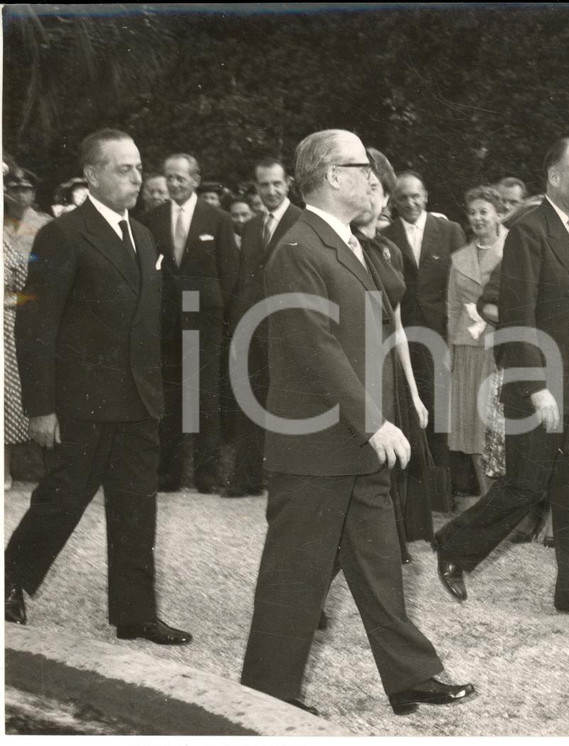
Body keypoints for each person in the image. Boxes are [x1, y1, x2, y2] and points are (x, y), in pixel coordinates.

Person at [240, 128, 474, 716]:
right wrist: (375, 423)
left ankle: (411, 677)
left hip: (357, 443)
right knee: (294, 576)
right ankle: (266, 698)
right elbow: (317, 348)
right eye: (360, 165)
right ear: (331, 175)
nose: (372, 174)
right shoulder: (298, 247)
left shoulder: (343, 241)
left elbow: (377, 333)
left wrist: (386, 418)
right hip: (319, 445)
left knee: (378, 568)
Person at [4, 129, 191, 646]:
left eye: (137, 168)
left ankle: (135, 614)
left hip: (137, 400)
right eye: (123, 169)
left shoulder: (146, 236)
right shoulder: (62, 235)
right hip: (82, 402)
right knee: (63, 499)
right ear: (92, 176)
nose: (136, 178)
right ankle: (9, 579)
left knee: (137, 507)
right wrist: (41, 408)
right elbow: (35, 326)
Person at [435, 138, 569, 622]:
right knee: (525, 485)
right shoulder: (528, 231)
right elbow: (515, 315)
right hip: (536, 383)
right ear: (555, 177)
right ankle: (454, 546)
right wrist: (537, 385)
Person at [141, 153, 239, 493]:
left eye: (181, 177)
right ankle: (167, 475)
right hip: (166, 319)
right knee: (170, 396)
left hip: (204, 318)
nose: (174, 183)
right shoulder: (151, 219)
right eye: (169, 177)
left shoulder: (218, 219)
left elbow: (229, 273)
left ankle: (207, 475)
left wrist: (220, 316)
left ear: (196, 179)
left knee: (203, 397)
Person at [354, 147, 433, 551]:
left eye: (377, 189)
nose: (370, 197)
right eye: (364, 187)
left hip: (391, 377)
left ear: (386, 197)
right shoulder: (344, 246)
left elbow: (399, 326)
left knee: (387, 477)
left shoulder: (390, 251)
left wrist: (414, 393)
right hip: (358, 374)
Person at [383, 172, 466, 490]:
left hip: (441, 335)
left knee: (442, 409)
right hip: (403, 337)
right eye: (402, 197)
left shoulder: (449, 231)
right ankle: (416, 488)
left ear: (426, 196)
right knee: (409, 408)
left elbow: (462, 284)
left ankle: (446, 489)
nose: (410, 203)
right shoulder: (386, 236)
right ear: (394, 201)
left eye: (415, 196)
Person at [224, 158, 302, 498]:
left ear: (287, 183)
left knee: (289, 404)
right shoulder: (252, 226)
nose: (270, 191)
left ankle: (290, 478)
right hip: (250, 328)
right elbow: (244, 280)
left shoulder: (303, 221)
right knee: (249, 401)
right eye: (263, 186)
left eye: (276, 184)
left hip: (287, 329)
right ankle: (247, 478)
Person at [447, 186, 507, 491]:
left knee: (500, 426)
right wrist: (451, 355)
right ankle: (485, 499)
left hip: (501, 347)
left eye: (484, 211)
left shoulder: (515, 248)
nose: (477, 217)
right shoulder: (459, 258)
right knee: (473, 427)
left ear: (498, 214)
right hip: (468, 348)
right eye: (472, 212)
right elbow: (453, 308)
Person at [3, 162, 51, 489]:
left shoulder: (46, 225)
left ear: (34, 192)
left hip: (34, 307)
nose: (18, 193)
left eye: (25, 188)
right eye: (13, 187)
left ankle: (40, 458)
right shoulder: (2, 224)